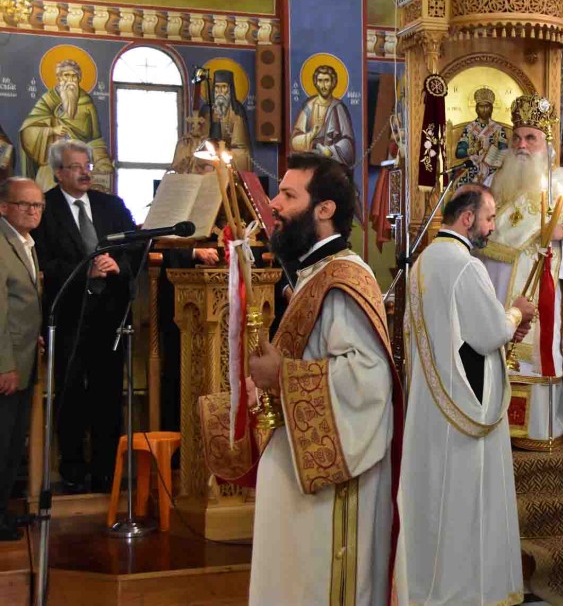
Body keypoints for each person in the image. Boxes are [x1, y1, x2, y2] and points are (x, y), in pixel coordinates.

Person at [201, 153, 403, 605]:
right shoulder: (315, 274)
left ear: (324, 208)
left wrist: (283, 375)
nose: (273, 204)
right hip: (298, 470)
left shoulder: (345, 279)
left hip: (331, 487)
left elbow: (368, 381)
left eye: (288, 195)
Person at [401, 185, 534, 605]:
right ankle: (470, 591)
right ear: (467, 218)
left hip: (431, 404)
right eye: (489, 218)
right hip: (464, 407)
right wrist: (517, 312)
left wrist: (506, 325)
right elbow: (489, 332)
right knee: (467, 502)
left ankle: (430, 589)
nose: (492, 227)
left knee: (435, 502)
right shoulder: (465, 265)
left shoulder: (423, 261)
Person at [480, 94, 563, 450]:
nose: (521, 145)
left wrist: (562, 231)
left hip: (539, 281)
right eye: (517, 137)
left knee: (536, 353)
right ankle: (494, 428)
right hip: (494, 282)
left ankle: (537, 431)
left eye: (530, 138)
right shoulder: (495, 181)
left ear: (545, 143)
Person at [31, 140, 137, 494]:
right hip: (68, 316)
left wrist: (117, 265)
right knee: (71, 392)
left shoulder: (111, 205)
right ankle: (73, 468)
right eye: (75, 166)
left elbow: (134, 246)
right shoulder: (45, 208)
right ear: (58, 173)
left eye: (87, 165)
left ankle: (108, 470)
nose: (85, 172)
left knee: (108, 393)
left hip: (110, 315)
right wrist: (84, 270)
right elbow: (42, 263)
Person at [0, 177, 43, 540]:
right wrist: (5, 365)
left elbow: (22, 304)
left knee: (14, 443)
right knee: (2, 443)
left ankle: (3, 513)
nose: (33, 211)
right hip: (8, 364)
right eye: (24, 204)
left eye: (38, 205)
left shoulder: (25, 242)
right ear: (4, 207)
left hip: (25, 356)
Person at [19, 59, 114, 190]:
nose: (70, 79)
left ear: (79, 79)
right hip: (54, 165)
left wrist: (102, 161)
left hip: (80, 165)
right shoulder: (49, 99)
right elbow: (29, 129)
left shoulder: (86, 102)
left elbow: (95, 139)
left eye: (74, 76)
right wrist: (52, 130)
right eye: (66, 75)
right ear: (59, 78)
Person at [291, 64, 356, 167]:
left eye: (327, 81)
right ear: (315, 82)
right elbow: (294, 140)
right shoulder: (309, 106)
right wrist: (311, 135)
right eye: (320, 81)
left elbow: (348, 143)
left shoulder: (338, 107)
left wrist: (330, 151)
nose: (323, 86)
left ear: (333, 83)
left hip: (332, 164)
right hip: (311, 162)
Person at [453, 87, 509, 187]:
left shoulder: (498, 129)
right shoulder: (470, 128)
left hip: (492, 170)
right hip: (473, 167)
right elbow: (459, 152)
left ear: (491, 108)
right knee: (460, 187)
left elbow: (505, 153)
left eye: (487, 106)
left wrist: (496, 150)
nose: (484, 109)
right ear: (476, 108)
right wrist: (474, 150)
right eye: (481, 106)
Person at [199, 70, 253, 171]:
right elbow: (202, 139)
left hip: (228, 155)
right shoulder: (207, 110)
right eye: (217, 87)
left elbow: (240, 147)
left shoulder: (237, 111)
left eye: (224, 87)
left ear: (230, 89)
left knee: (241, 156)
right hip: (208, 154)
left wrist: (223, 154)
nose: (220, 91)